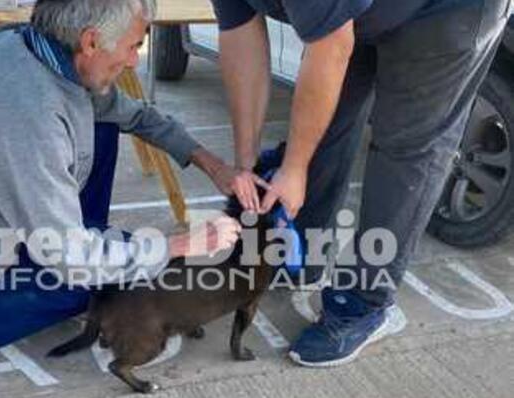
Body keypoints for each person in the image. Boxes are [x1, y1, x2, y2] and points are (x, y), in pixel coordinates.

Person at [0, 0, 263, 397]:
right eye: (134, 45)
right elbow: (70, 257)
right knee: (97, 278)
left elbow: (136, 115)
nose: (134, 61)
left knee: (103, 125)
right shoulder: (26, 116)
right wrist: (179, 245)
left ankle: (80, 243)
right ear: (91, 41)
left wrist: (213, 165)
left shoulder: (39, 51)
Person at [210, 0, 511, 366]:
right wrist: (247, 162)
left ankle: (364, 304)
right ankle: (301, 256)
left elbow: (331, 46)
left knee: (407, 149)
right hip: (365, 12)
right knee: (324, 124)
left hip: (446, 11)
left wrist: (294, 168)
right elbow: (241, 35)